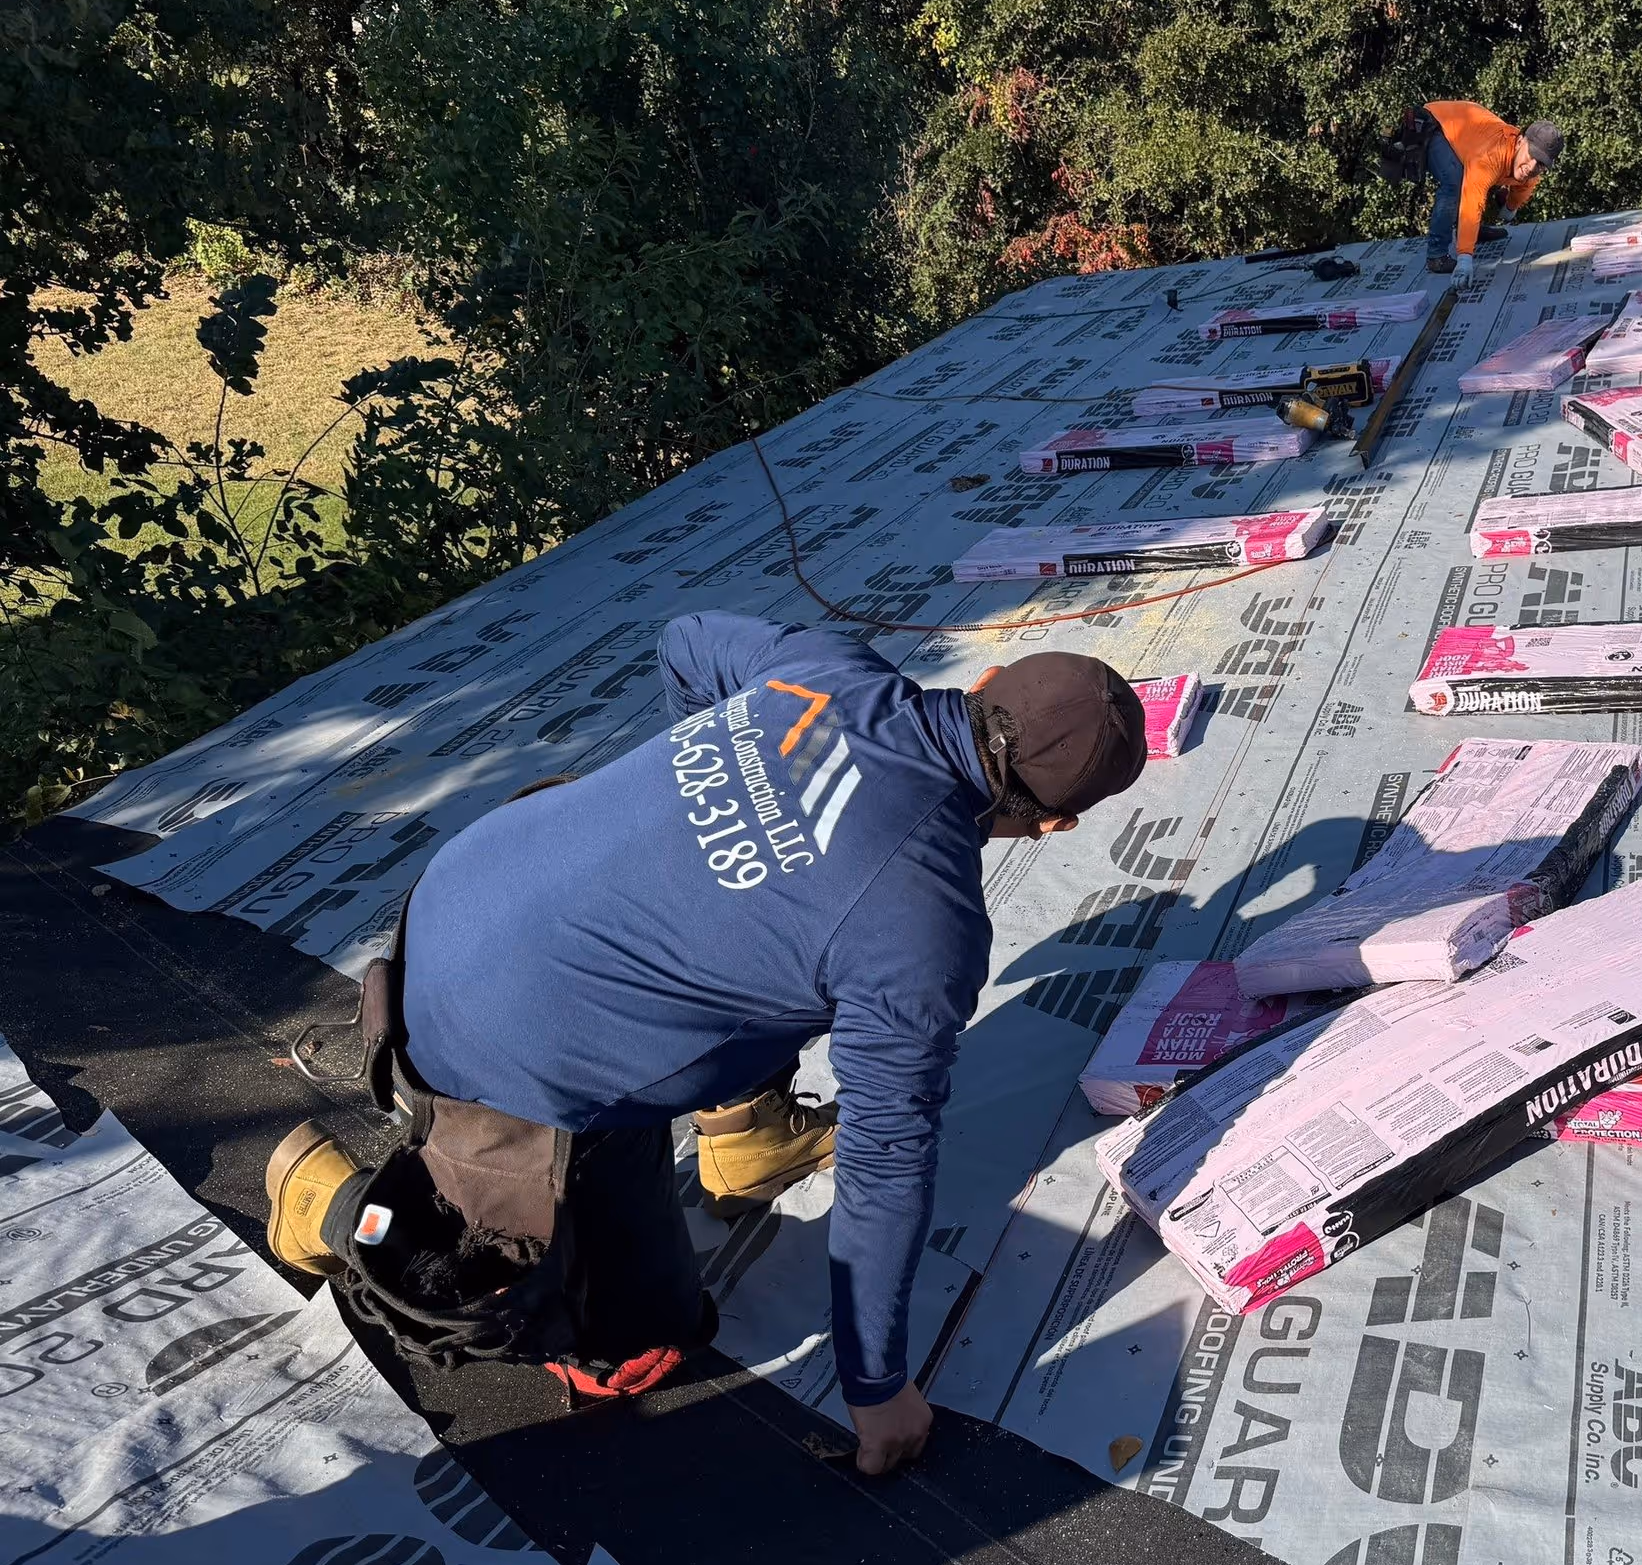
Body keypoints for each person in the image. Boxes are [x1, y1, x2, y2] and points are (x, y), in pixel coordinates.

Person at [262, 611, 1147, 1474]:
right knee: (627, 1351)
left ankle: (745, 1132)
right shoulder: (922, 930)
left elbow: (683, 638)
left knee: (773, 946)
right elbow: (885, 1160)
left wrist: (710, 820)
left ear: (984, 682)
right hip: (496, 1065)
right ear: (1051, 825)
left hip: (457, 906)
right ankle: (333, 1203)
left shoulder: (830, 671)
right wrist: (875, 1385)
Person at [1420, 103, 1563, 279]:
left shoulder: (1530, 169)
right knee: (1455, 182)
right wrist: (1465, 258)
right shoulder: (1492, 156)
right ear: (1520, 142)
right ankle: (1437, 256)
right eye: (1532, 156)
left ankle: (1475, 231)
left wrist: (1509, 209)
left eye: (1540, 163)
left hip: (1469, 136)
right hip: (1438, 123)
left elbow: (1525, 187)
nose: (1532, 166)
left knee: (1477, 179)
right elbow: (1472, 200)